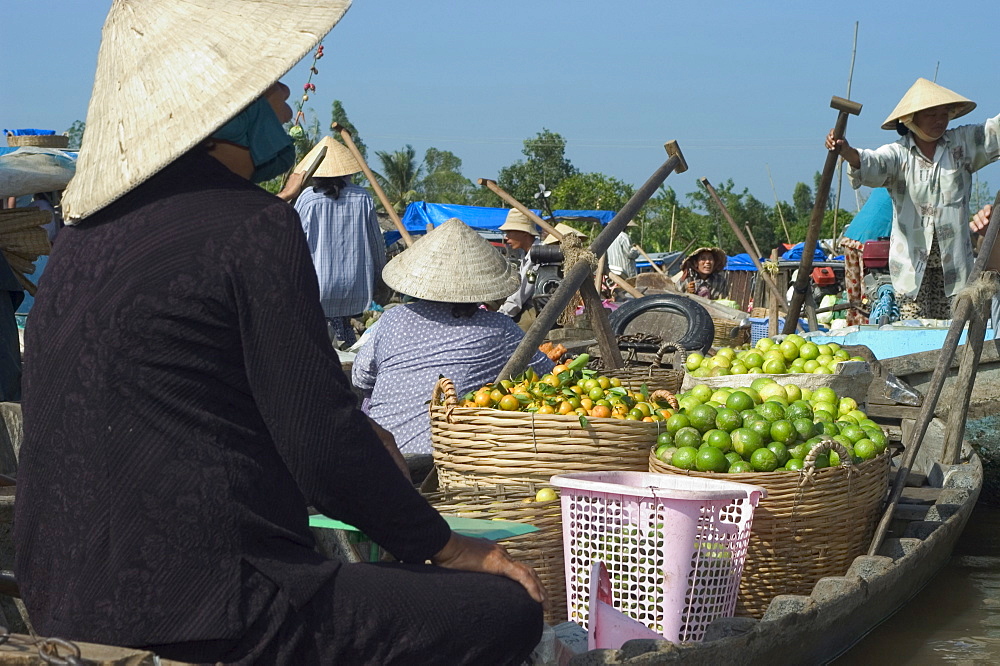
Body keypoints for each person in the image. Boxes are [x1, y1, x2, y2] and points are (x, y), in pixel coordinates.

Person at [13, 3, 545, 665]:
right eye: (267, 85)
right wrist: (452, 545)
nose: (287, 96)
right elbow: (320, 445)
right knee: (506, 607)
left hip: (64, 598)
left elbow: (199, 400)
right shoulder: (251, 224)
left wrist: (356, 435)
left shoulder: (79, 240)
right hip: (211, 607)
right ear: (224, 110)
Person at [353, 218, 554, 455]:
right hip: (438, 457)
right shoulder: (498, 328)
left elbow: (361, 379)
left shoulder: (392, 319)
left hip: (377, 453)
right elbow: (547, 375)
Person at [826, 77, 1000, 320]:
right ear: (911, 119)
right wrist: (847, 152)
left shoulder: (961, 145)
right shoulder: (898, 155)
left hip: (955, 268)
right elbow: (871, 163)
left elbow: (993, 132)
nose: (940, 120)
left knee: (956, 333)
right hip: (911, 270)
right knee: (916, 336)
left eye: (944, 113)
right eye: (931, 115)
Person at [293, 136, 385, 347]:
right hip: (356, 287)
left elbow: (295, 244)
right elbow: (376, 244)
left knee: (318, 341)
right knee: (343, 336)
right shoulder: (363, 197)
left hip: (317, 286)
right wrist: (379, 274)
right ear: (348, 171)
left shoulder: (308, 198)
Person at [498, 209, 540, 329]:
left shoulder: (536, 257)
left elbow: (517, 300)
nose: (506, 237)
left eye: (510, 232)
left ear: (524, 233)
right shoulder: (525, 254)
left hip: (535, 311)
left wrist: (498, 317)